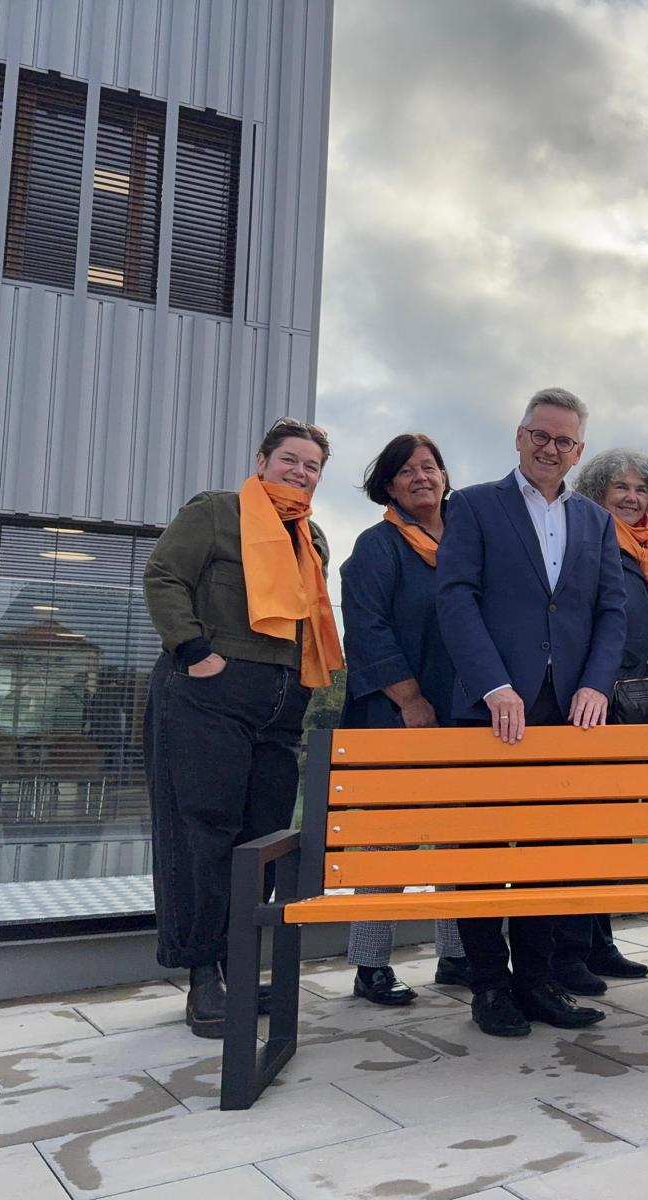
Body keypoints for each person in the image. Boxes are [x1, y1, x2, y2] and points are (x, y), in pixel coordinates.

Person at [434, 387, 626, 1038]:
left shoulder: (596, 522)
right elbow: (455, 599)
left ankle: (538, 983)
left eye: (564, 440)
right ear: (520, 437)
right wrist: (492, 684)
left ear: (579, 450)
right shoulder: (473, 506)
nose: (550, 448)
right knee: (483, 855)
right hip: (492, 710)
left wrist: (597, 685)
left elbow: (612, 612)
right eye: (540, 435)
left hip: (567, 713)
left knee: (550, 853)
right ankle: (490, 987)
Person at [142, 417, 343, 1038]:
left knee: (262, 841)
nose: (300, 472)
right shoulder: (215, 512)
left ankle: (238, 965)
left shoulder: (312, 538)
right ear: (262, 461)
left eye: (312, 466)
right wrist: (195, 651)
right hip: (209, 696)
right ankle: (202, 975)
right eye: (290, 459)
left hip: (280, 707)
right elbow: (164, 577)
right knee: (203, 833)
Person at [337, 434, 468, 1007]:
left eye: (430, 467)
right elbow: (367, 629)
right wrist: (411, 699)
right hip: (397, 715)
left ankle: (458, 955)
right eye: (407, 470)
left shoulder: (466, 540)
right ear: (388, 485)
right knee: (389, 842)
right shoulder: (377, 546)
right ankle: (370, 965)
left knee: (457, 837)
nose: (422, 477)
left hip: (462, 712)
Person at [548, 450, 648, 994]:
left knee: (613, 830)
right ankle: (569, 953)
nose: (631, 497)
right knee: (584, 832)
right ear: (597, 491)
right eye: (620, 487)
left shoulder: (642, 553)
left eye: (641, 489)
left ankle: (599, 943)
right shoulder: (588, 545)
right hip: (593, 707)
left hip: (631, 710)